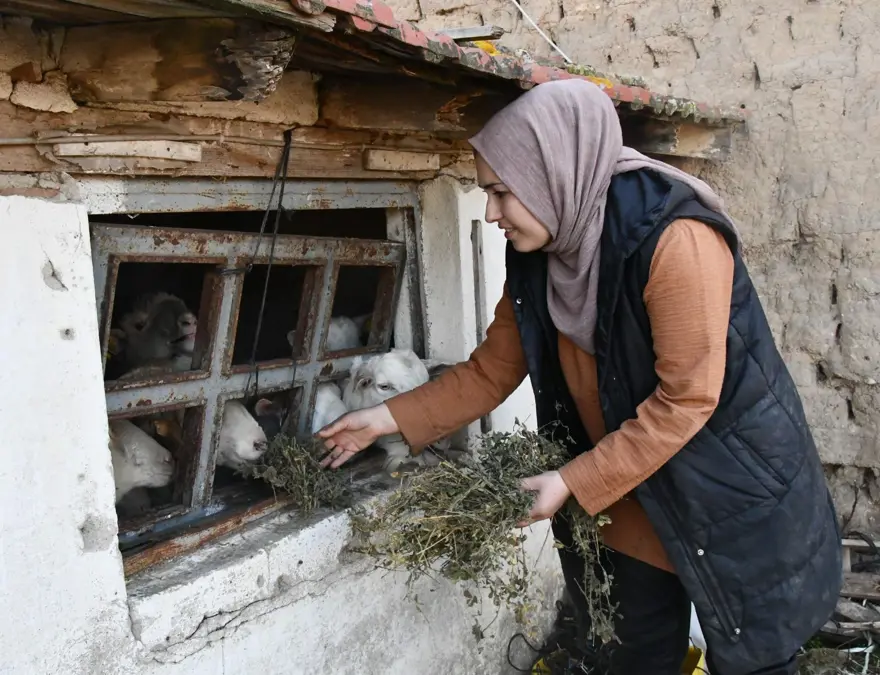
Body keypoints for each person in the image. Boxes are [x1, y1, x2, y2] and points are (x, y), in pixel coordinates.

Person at [317, 79, 842, 675]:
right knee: (630, 654)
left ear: (553, 176)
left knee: (752, 658)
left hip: (724, 492)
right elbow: (491, 371)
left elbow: (688, 400)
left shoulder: (675, 239)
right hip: (622, 495)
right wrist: (380, 420)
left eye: (500, 193)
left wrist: (572, 479)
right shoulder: (543, 252)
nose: (490, 213)